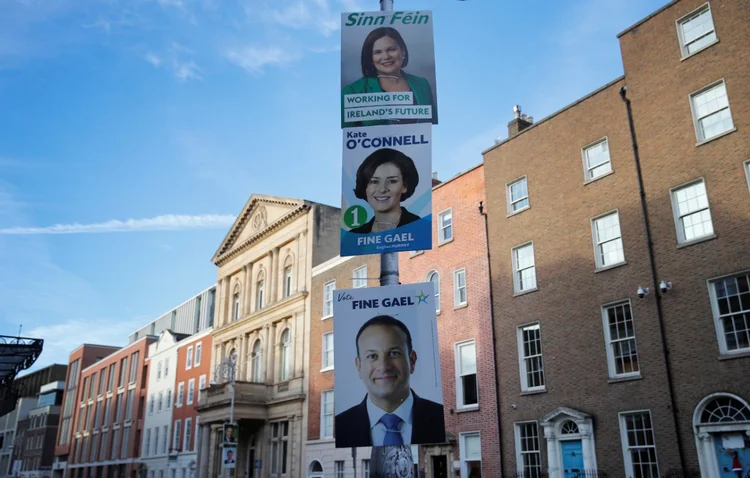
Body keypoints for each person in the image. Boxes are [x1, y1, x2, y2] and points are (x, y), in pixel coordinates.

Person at [334, 315, 445, 447]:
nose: (384, 366)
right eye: (372, 356)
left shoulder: (439, 417)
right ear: (359, 366)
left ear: (412, 360)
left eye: (394, 353)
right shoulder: (342, 425)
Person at [342, 27, 436, 127]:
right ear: (370, 58)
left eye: (391, 49)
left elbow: (433, 126)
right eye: (377, 52)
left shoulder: (422, 84)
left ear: (403, 51)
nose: (386, 56)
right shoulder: (352, 91)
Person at [349, 148, 420, 234]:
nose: (382, 189)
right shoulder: (353, 236)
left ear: (404, 186)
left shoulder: (420, 227)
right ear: (365, 187)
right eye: (374, 181)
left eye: (392, 181)